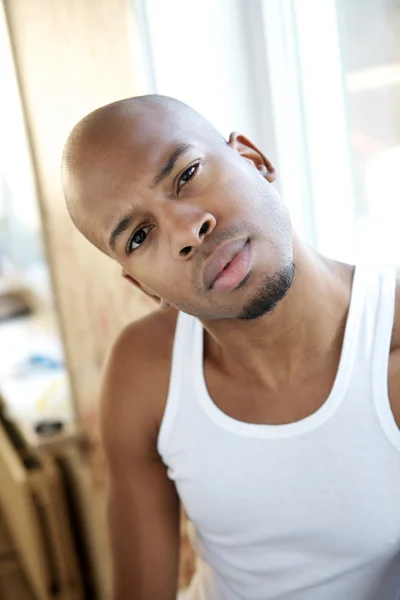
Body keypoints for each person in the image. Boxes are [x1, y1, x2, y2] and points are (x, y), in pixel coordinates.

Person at [62, 95, 400, 600]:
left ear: (254, 159)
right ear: (143, 287)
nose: (186, 231)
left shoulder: (389, 345)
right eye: (138, 236)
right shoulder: (143, 372)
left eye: (186, 174)